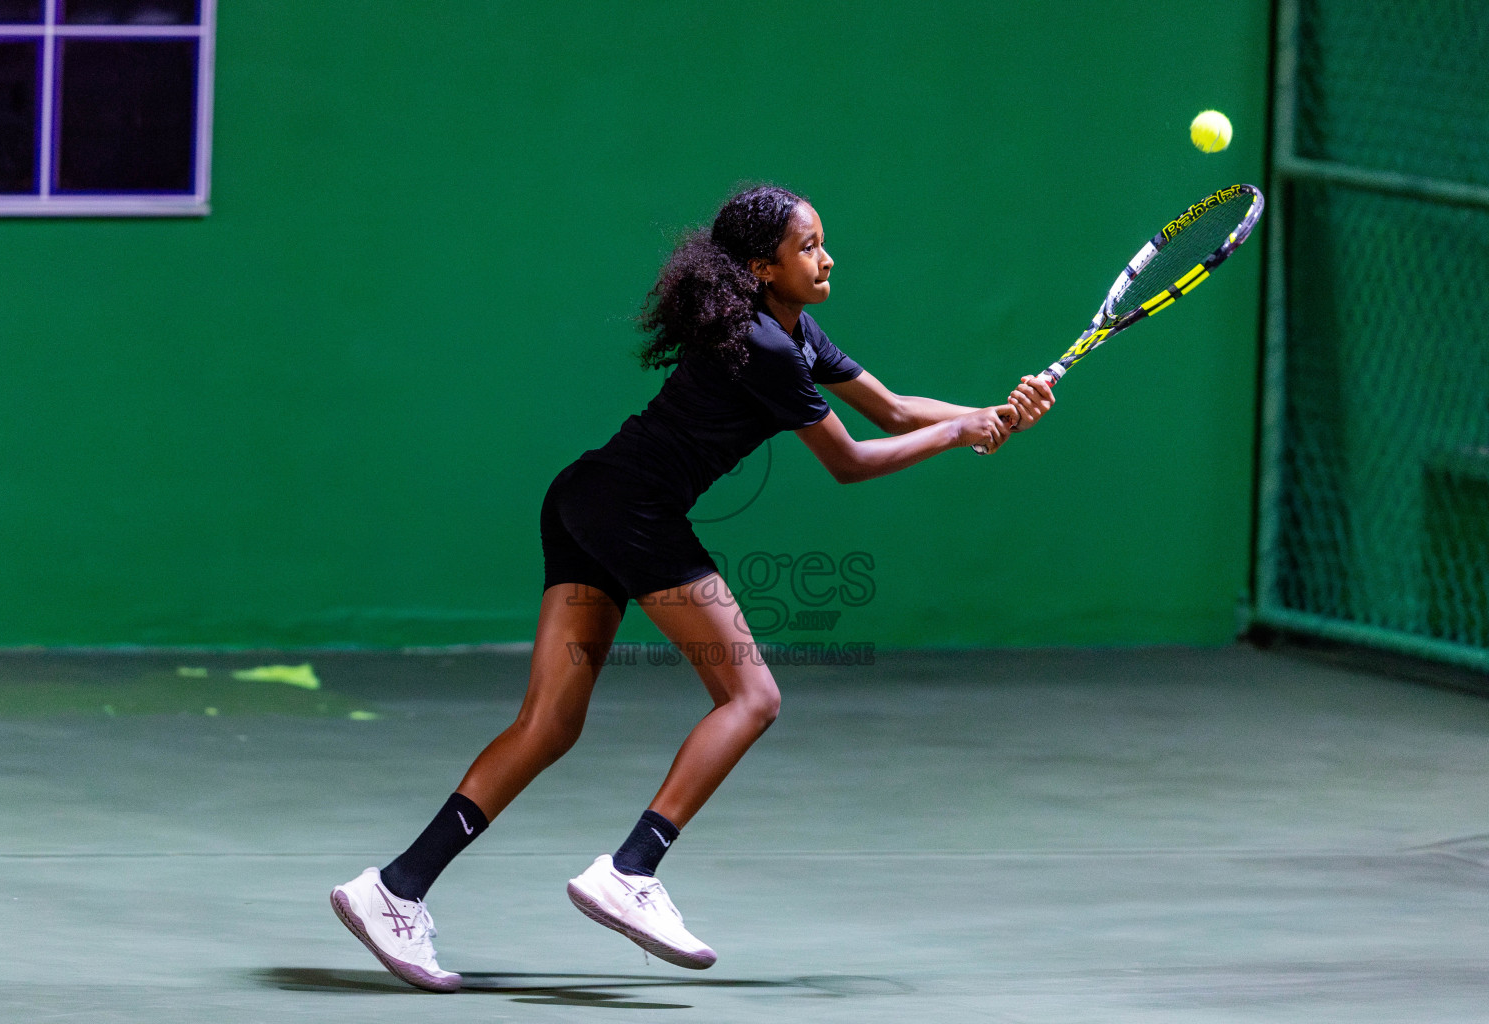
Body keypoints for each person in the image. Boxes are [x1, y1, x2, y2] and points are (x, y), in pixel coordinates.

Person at [330, 184, 1055, 991]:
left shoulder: (794, 328)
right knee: (751, 698)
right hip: (633, 513)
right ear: (760, 267)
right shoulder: (767, 348)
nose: (827, 257)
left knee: (549, 724)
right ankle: (632, 871)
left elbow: (888, 412)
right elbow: (849, 462)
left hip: (586, 499)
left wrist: (992, 413)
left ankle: (393, 889)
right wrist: (959, 433)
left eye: (822, 242)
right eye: (809, 245)